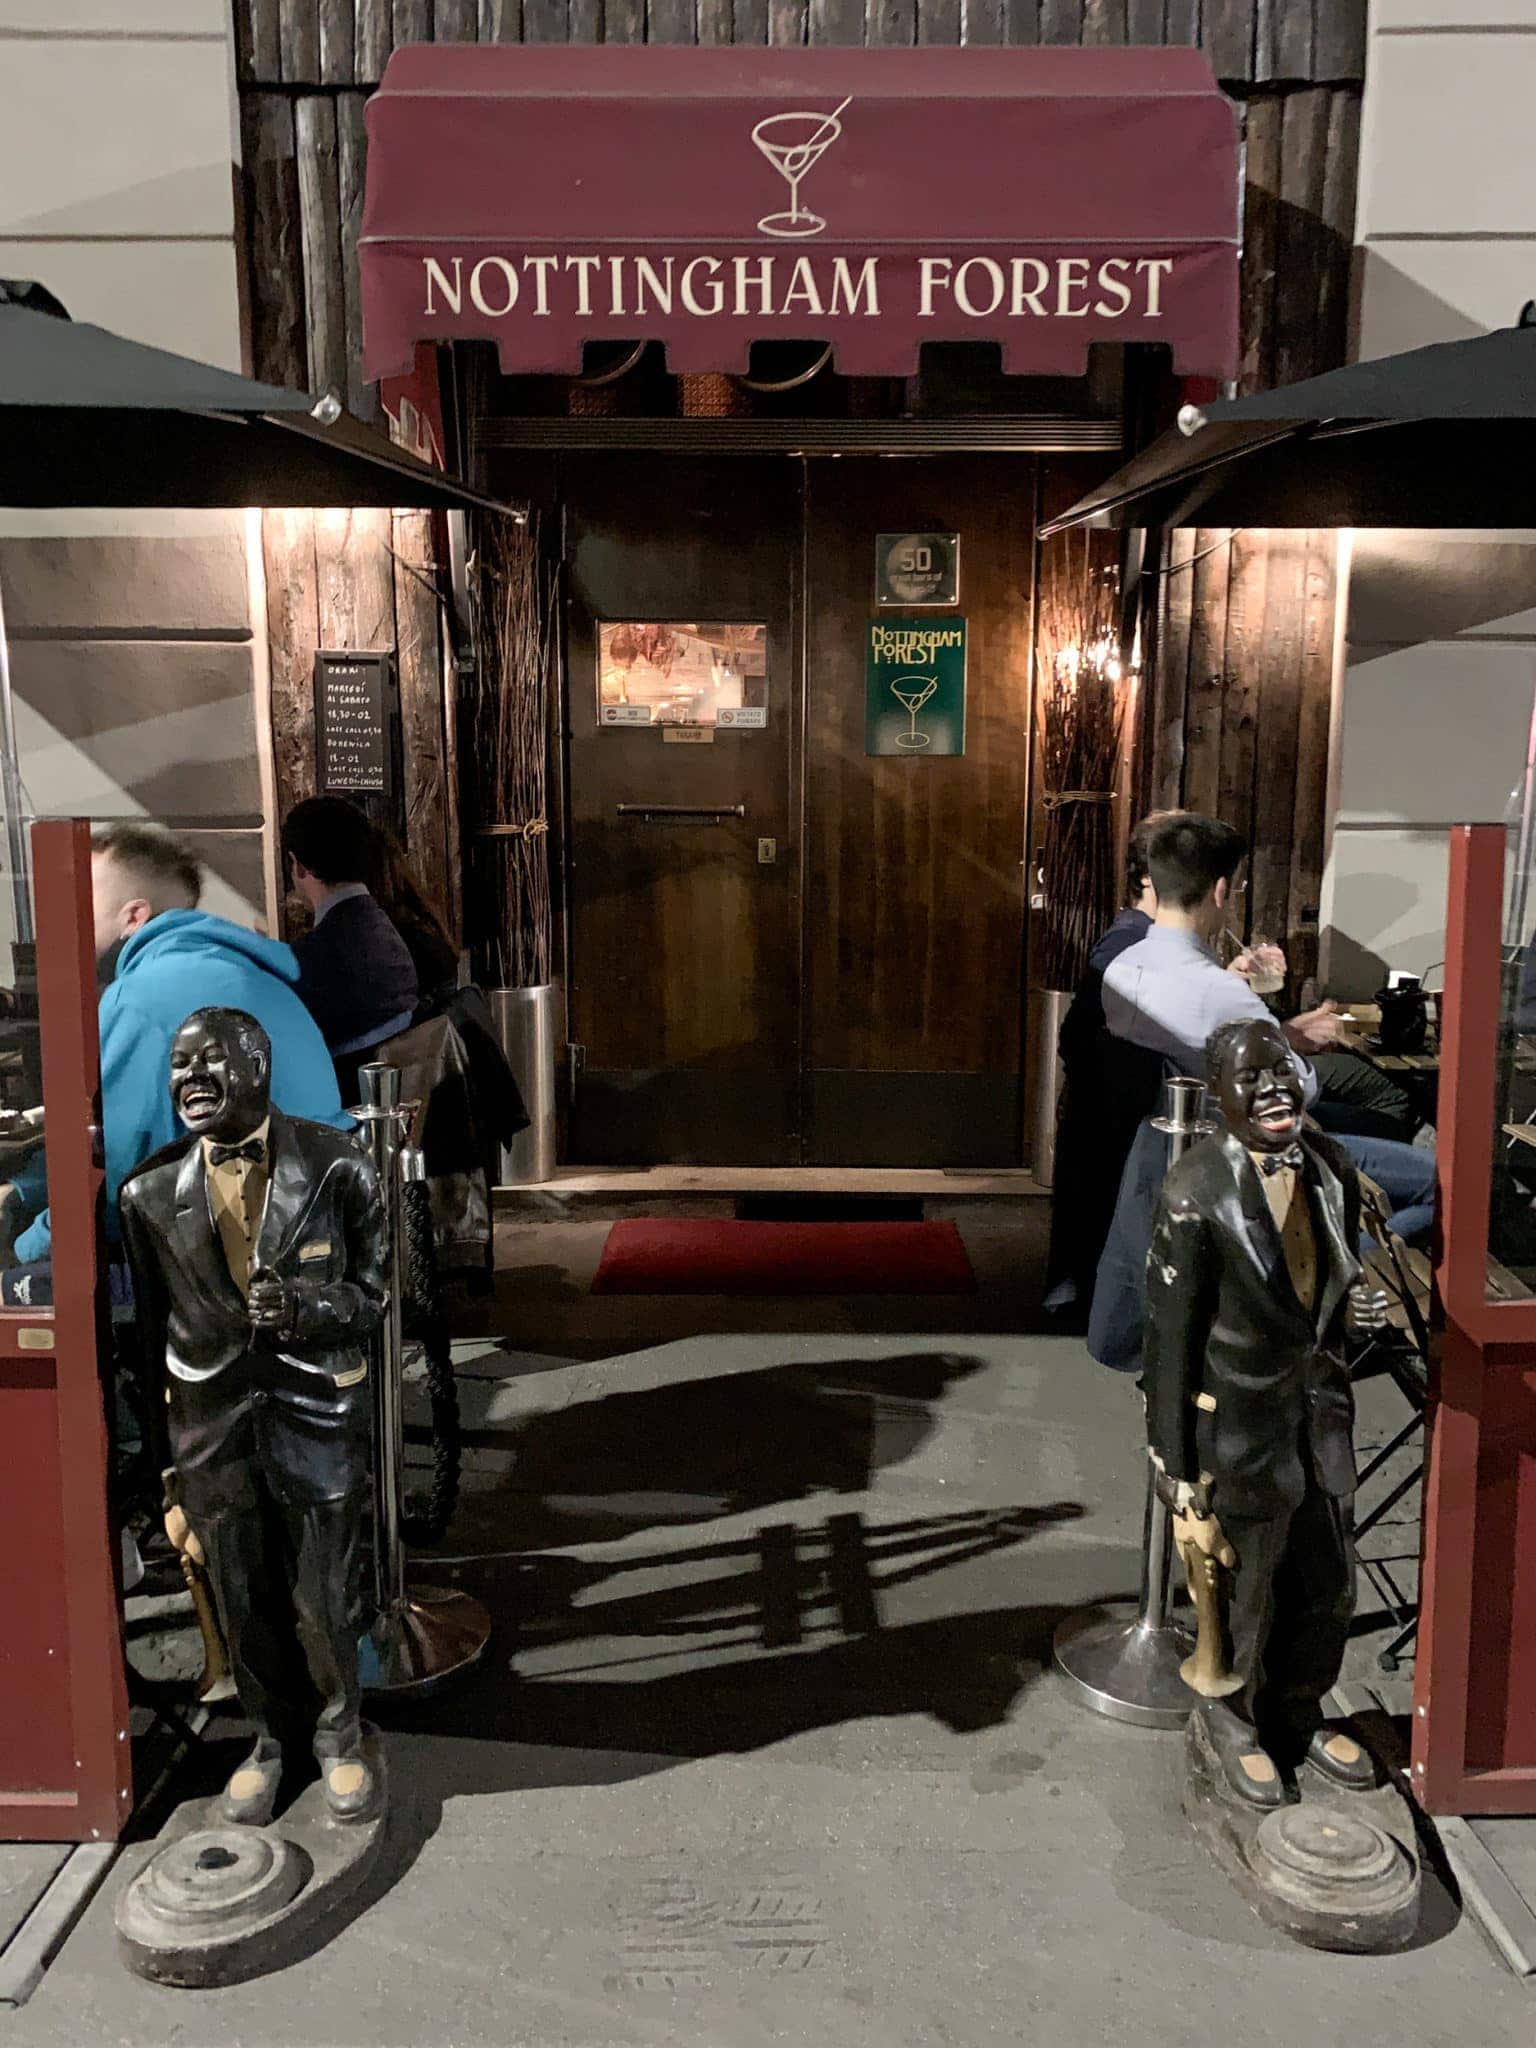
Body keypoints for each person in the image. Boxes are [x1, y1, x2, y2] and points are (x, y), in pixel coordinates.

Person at [120, 1009, 385, 1825]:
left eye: (211, 1061)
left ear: (259, 1064)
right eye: (179, 1065)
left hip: (314, 1416)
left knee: (325, 1597)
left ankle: (342, 1737)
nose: (191, 1079)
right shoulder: (148, 1195)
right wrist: (166, 1462)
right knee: (242, 1601)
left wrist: (305, 1305)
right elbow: (149, 1340)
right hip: (213, 1432)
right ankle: (269, 1742)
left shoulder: (339, 1165)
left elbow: (376, 1296)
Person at [1145, 1017, 1386, 1807]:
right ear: (1218, 1096)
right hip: (1241, 1435)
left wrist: (1359, 1317)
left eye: (1282, 1070)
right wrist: (1176, 1472)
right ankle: (1232, 1721)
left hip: (1321, 1422)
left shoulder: (1331, 1167)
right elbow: (1168, 1346)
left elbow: (1327, 1293)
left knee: (1329, 1586)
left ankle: (1298, 1711)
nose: (1273, 1088)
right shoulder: (1194, 1195)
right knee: (1243, 1593)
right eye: (1250, 1078)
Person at [11, 824, 345, 1270]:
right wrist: (23, 1192)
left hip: (240, 1267)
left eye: (77, 903)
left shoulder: (141, 998)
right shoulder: (244, 972)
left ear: (134, 916)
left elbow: (120, 1178)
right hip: (313, 1236)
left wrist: (22, 1250)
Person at [281, 798, 419, 1091]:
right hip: (386, 1105)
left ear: (299, 867)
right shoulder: (391, 933)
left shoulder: (312, 961)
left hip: (336, 1113)